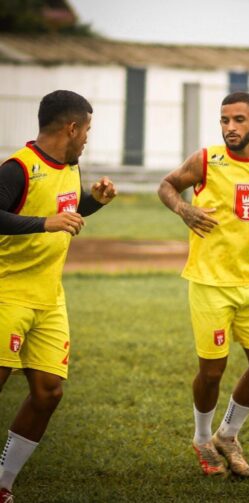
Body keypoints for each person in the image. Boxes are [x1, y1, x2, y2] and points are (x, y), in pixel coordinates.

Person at [158, 91, 249, 478]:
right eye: (224, 120)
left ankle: (229, 434)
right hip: (210, 283)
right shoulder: (207, 159)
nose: (229, 128)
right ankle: (203, 438)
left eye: (239, 120)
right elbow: (167, 185)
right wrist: (184, 208)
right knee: (211, 372)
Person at [0, 90, 117, 502]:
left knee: (48, 391)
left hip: (49, 300)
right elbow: (33, 218)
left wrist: (93, 203)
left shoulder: (72, 166)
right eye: (86, 129)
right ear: (71, 127)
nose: (87, 138)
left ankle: (2, 483)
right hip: (7, 295)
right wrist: (44, 223)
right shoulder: (18, 168)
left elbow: (64, 215)